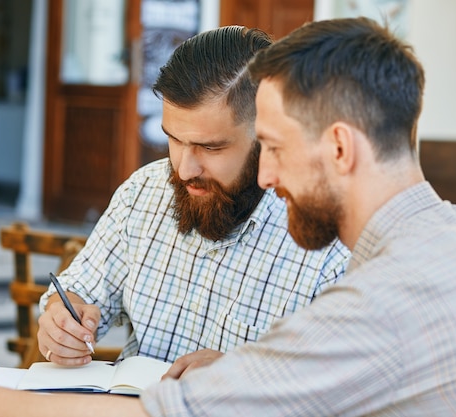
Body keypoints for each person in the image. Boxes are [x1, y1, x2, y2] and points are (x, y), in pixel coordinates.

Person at [0, 17, 456, 417]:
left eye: (275, 149)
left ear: (339, 148)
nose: (266, 177)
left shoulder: (380, 298)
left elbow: (178, 412)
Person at [35, 24, 349, 374]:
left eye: (210, 147)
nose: (184, 170)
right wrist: (62, 323)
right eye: (174, 139)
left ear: (267, 134)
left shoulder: (329, 241)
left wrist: (246, 378)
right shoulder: (146, 191)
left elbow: (341, 390)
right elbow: (79, 295)